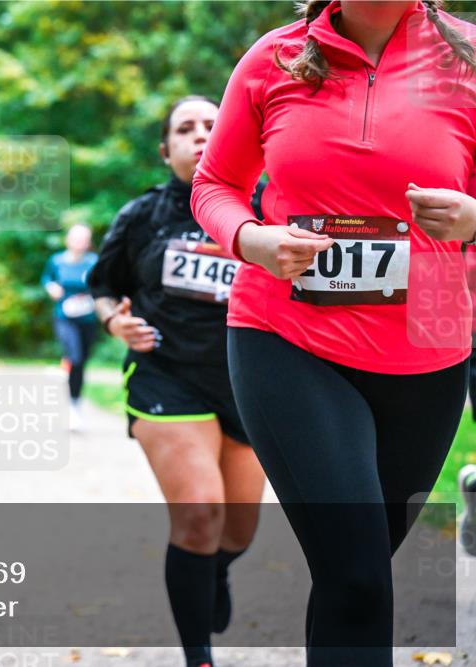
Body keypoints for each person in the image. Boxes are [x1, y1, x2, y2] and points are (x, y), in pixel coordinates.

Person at [190, 2, 476, 664]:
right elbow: (215, 183)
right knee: (358, 575)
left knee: (355, 579)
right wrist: (252, 238)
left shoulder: (466, 56)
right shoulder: (274, 58)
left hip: (427, 355)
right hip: (287, 342)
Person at [88, 96, 267, 667]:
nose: (200, 135)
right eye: (185, 129)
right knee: (197, 516)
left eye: (213, 125)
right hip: (166, 374)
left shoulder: (268, 207)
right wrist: (114, 319)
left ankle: (212, 571)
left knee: (237, 531)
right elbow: (102, 287)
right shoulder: (142, 216)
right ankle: (199, 657)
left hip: (249, 380)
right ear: (167, 151)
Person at [41, 224, 99, 431]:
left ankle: (75, 404)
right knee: (73, 355)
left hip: (88, 319)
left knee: (81, 362)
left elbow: (103, 283)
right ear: (68, 240)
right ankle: (64, 370)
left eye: (85, 239)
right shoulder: (56, 261)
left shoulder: (93, 262)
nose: (81, 243)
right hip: (64, 317)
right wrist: (51, 287)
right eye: (77, 239)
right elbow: (47, 278)